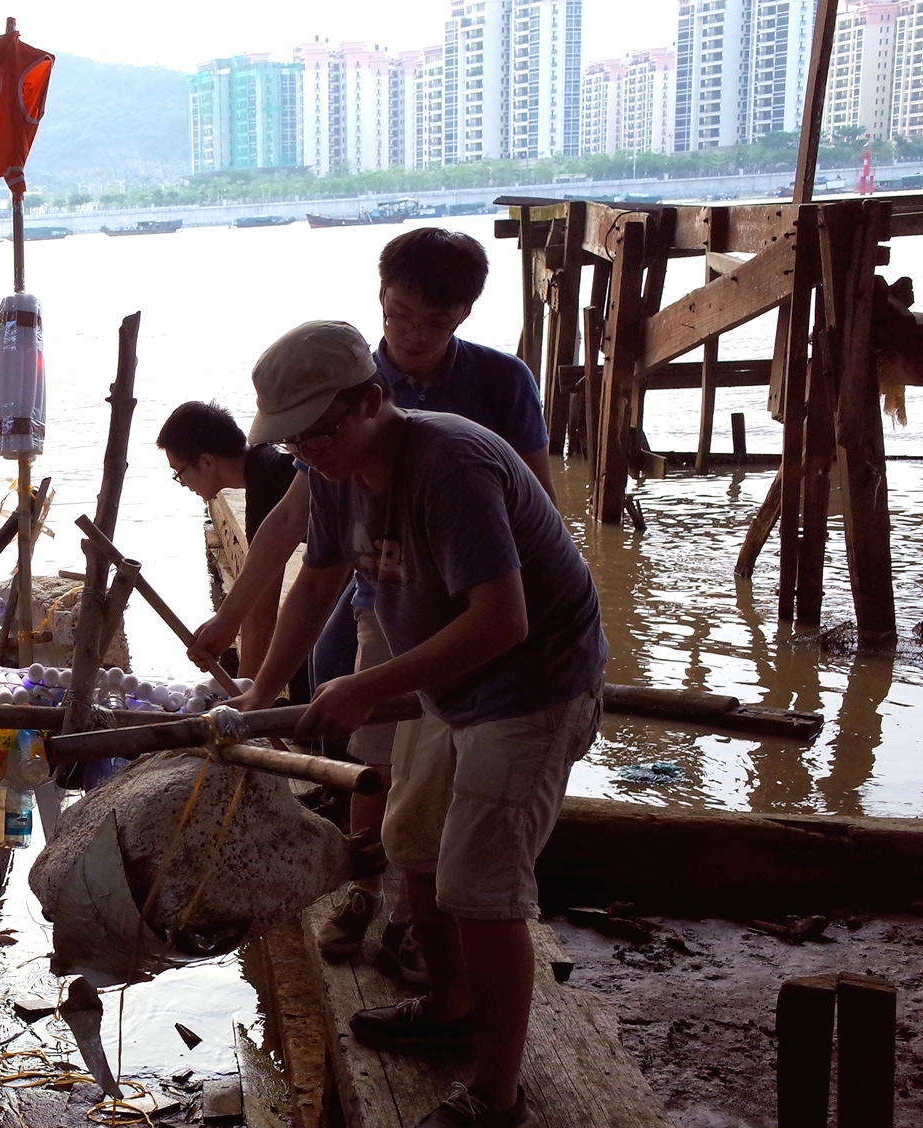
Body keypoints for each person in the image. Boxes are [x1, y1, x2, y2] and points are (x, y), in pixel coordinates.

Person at [229, 321, 606, 1128]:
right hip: (454, 686)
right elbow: (317, 580)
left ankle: (498, 1097)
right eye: (292, 444)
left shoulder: (450, 465)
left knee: (484, 887)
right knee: (412, 846)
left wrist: (368, 686)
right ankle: (448, 1008)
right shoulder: (332, 468)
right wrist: (262, 689)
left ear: (372, 401)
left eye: (318, 434)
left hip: (535, 686)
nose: (308, 454)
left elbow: (503, 621)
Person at [190, 227, 556, 974]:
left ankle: (444, 941)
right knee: (377, 760)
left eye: (432, 322)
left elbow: (530, 535)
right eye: (398, 316)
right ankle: (372, 890)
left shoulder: (478, 404)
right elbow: (307, 545)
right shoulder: (333, 411)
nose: (413, 336)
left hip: (483, 599)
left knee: (460, 797)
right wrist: (246, 651)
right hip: (388, 594)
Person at [156, 400, 301, 679]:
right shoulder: (265, 464)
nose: (182, 482)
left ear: (207, 461)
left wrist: (243, 695)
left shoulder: (266, 488)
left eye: (179, 472)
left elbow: (261, 609)